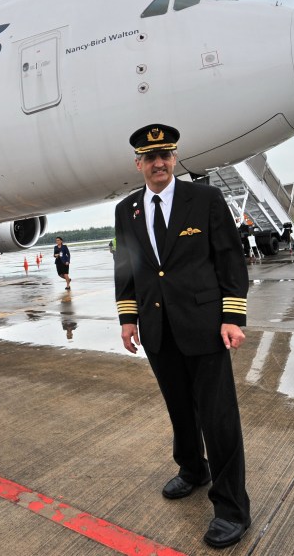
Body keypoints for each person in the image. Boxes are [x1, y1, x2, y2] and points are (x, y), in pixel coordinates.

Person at [114, 123, 251, 549]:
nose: (158, 163)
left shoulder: (204, 199)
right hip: (157, 328)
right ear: (138, 163)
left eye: (165, 155)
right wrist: (128, 317)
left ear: (174, 159)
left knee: (218, 417)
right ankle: (193, 469)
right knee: (179, 409)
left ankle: (232, 509)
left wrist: (233, 316)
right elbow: (127, 265)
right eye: (150, 157)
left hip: (205, 325)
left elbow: (230, 256)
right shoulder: (127, 209)